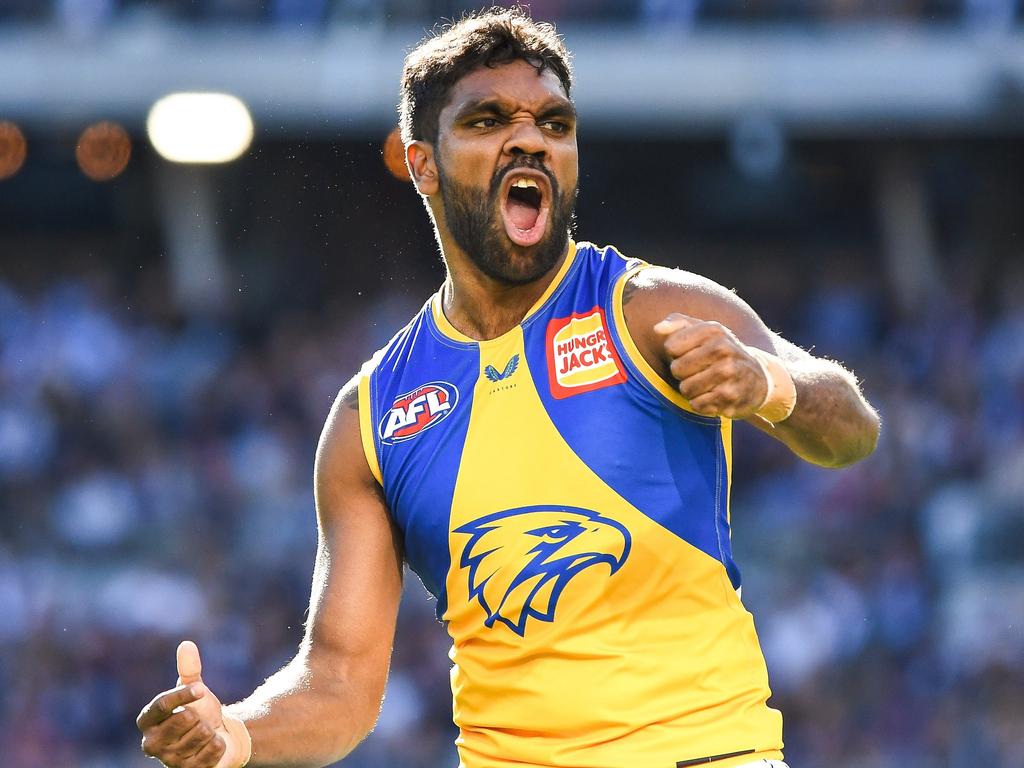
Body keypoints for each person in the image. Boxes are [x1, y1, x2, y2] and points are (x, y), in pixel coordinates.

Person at [136, 8, 880, 768]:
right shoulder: (372, 417)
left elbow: (853, 427)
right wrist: (237, 733)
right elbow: (341, 680)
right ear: (421, 165)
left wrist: (769, 384)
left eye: (554, 124)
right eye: (489, 120)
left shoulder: (649, 310)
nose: (530, 139)